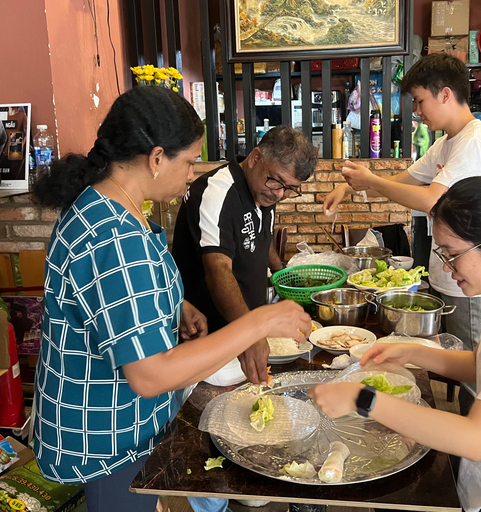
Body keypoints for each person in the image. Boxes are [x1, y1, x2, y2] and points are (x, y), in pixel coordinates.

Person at [32, 86, 311, 512]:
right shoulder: (116, 236)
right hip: (107, 439)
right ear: (157, 157)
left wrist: (174, 303)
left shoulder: (109, 207)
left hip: (124, 430)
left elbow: (108, 297)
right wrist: (259, 323)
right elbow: (148, 376)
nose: (190, 173)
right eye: (188, 161)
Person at [311, 175, 481, 512]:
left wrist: (362, 398)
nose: (445, 266)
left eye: (452, 254)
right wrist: (413, 351)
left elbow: (475, 438)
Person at [322, 53, 481, 413]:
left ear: (446, 94)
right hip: (453, 272)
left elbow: (429, 200)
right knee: (459, 365)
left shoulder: (475, 142)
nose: (418, 112)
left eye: (420, 101)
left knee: (476, 379)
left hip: (474, 277)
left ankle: (470, 451)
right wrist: (352, 189)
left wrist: (369, 180)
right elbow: (404, 181)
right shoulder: (447, 142)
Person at [172, 125, 316, 385]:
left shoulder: (264, 191)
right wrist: (249, 334)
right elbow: (218, 269)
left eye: (290, 188)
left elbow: (263, 240)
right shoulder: (216, 192)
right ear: (256, 157)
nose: (279, 193)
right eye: (276, 180)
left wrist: (286, 279)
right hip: (210, 339)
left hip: (246, 331)